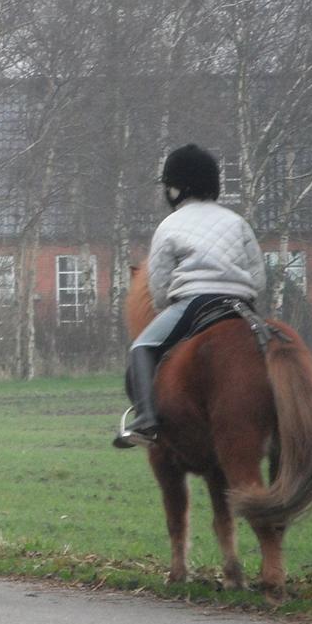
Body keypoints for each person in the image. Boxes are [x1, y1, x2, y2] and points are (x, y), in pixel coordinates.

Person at [114, 143, 265, 448]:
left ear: (176, 189)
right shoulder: (237, 222)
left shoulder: (170, 225)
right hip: (242, 306)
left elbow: (158, 284)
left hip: (193, 304)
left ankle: (146, 420)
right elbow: (259, 277)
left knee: (141, 347)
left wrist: (163, 308)